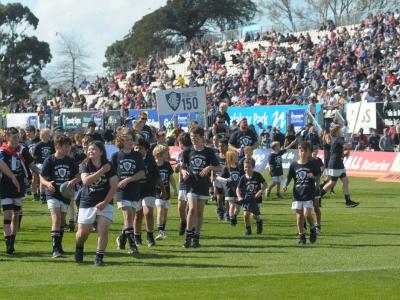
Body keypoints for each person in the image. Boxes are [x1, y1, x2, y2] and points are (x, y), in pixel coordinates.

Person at [75, 141, 118, 266]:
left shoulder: (109, 165)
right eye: (89, 149)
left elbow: (114, 186)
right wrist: (102, 171)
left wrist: (105, 202)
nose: (90, 151)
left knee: (103, 230)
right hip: (88, 202)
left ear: (101, 152)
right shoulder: (85, 164)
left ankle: (99, 258)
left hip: (105, 202)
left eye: (93, 149)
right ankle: (79, 247)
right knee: (82, 234)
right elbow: (86, 181)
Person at [180, 126, 221, 248]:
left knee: (199, 211)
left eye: (196, 137)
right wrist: (183, 172)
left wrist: (209, 167)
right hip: (191, 184)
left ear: (202, 137)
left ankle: (196, 237)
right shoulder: (187, 151)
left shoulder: (208, 152)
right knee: (192, 209)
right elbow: (181, 166)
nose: (193, 139)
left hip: (203, 185)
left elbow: (219, 167)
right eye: (191, 137)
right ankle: (188, 236)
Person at [0, 127, 38, 254]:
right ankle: (8, 244)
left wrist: (40, 173)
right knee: (7, 215)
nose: (17, 140)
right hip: (5, 186)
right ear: (7, 138)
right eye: (14, 137)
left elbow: (31, 164)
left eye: (18, 137)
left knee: (16, 215)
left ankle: (12, 240)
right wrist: (12, 177)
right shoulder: (2, 151)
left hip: (19, 186)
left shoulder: (22, 150)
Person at [40, 136, 79, 258]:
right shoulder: (49, 160)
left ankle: (59, 245)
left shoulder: (70, 160)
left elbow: (78, 175)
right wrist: (47, 184)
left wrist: (72, 182)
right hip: (52, 193)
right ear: (57, 146)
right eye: (65, 146)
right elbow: (42, 177)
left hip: (65, 194)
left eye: (69, 146)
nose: (68, 148)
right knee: (56, 218)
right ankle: (55, 249)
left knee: (62, 221)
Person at [112, 129, 145, 255]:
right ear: (121, 141)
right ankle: (132, 246)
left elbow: (142, 173)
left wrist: (128, 179)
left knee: (130, 218)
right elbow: (112, 174)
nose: (129, 142)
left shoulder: (137, 155)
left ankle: (121, 238)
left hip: (134, 190)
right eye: (126, 140)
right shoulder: (116, 156)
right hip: (122, 191)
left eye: (131, 140)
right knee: (127, 215)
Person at [283, 141, 318, 245]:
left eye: (303, 150)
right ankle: (301, 236)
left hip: (308, 193)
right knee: (299, 217)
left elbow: (318, 178)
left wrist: (314, 177)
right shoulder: (294, 164)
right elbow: (289, 177)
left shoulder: (312, 164)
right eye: (300, 150)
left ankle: (312, 228)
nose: (301, 152)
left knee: (307, 214)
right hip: (297, 194)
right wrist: (285, 185)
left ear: (308, 152)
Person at [133, 138, 167, 247]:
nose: (137, 149)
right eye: (136, 147)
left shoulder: (150, 160)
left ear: (146, 150)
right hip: (136, 191)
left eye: (140, 148)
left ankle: (150, 236)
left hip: (149, 190)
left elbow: (157, 176)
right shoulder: (132, 159)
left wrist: (163, 190)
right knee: (138, 215)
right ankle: (137, 237)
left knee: (148, 213)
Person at [320, 124, 359, 208]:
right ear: (337, 132)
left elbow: (338, 152)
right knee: (331, 183)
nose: (342, 132)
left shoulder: (337, 139)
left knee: (344, 181)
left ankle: (348, 201)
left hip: (338, 164)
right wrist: (349, 144)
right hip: (335, 164)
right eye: (341, 130)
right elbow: (347, 146)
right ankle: (318, 196)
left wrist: (344, 154)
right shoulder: (338, 139)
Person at [236, 159, 267, 235]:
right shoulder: (243, 178)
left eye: (249, 167)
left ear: (253, 167)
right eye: (245, 167)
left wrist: (260, 191)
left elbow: (265, 184)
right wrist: (239, 197)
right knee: (246, 215)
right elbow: (238, 189)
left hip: (257, 199)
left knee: (254, 215)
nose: (247, 169)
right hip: (247, 199)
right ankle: (248, 230)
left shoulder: (257, 175)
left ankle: (259, 222)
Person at [153, 144, 176, 240]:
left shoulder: (167, 164)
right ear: (159, 154)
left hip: (166, 191)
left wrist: (175, 188)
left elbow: (170, 177)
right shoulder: (153, 165)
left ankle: (163, 229)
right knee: (160, 210)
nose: (168, 155)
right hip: (157, 192)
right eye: (166, 153)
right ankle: (160, 231)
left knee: (165, 212)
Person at [217, 150, 242, 226]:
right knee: (232, 205)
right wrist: (226, 180)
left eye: (237, 156)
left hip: (237, 190)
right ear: (231, 158)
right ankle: (231, 219)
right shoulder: (226, 168)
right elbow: (218, 177)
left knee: (238, 208)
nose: (237, 157)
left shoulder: (239, 167)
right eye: (235, 156)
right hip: (229, 190)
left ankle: (234, 216)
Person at [175, 132, 192, 236]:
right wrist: (178, 168)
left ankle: (189, 227)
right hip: (183, 183)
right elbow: (179, 168)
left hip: (191, 183)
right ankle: (184, 222)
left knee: (189, 207)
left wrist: (180, 169)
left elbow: (182, 167)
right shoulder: (181, 154)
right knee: (181, 207)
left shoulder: (187, 152)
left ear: (181, 143)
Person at [33, 129, 55, 203]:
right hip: (41, 164)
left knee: (48, 179)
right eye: (47, 133)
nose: (49, 135)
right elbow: (35, 156)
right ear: (43, 134)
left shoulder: (51, 144)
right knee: (43, 178)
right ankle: (42, 195)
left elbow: (53, 155)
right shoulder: (38, 145)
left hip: (49, 164)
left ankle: (46, 193)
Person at [213, 138, 228, 221]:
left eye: (222, 146)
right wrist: (212, 175)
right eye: (219, 146)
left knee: (228, 198)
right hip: (218, 179)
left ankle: (228, 212)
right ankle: (220, 211)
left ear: (227, 146)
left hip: (227, 179)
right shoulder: (216, 156)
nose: (220, 148)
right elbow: (213, 167)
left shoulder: (230, 156)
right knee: (219, 196)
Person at [25, 126, 41, 200]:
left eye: (28, 132)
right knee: (34, 178)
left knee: (40, 178)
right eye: (26, 132)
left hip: (39, 162)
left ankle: (40, 192)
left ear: (33, 132)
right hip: (32, 163)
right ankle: (35, 195)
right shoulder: (27, 142)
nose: (27, 134)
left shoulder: (39, 141)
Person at [311, 145, 323, 232]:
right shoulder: (307, 160)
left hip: (315, 186)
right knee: (305, 208)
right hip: (306, 187)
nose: (315, 152)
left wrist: (318, 182)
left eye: (316, 150)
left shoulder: (318, 160)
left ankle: (318, 224)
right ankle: (304, 224)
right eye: (314, 150)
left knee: (316, 207)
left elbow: (322, 169)